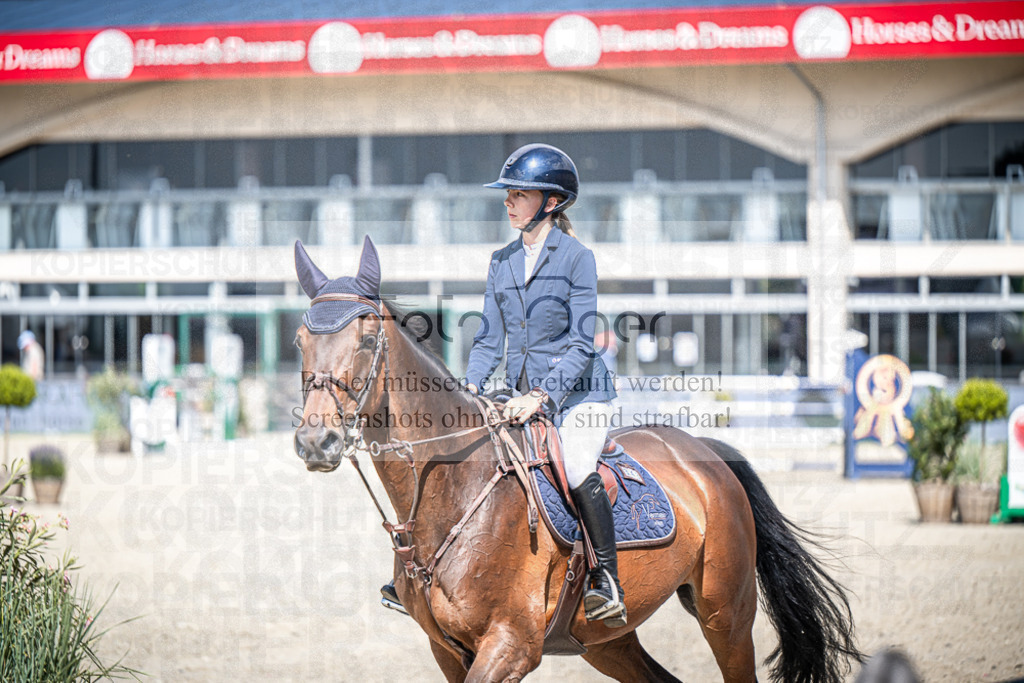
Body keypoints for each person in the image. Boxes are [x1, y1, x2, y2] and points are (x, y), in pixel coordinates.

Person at [382, 144, 624, 627]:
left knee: (575, 466)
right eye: (507, 194)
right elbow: (490, 339)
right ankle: (416, 572)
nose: (508, 202)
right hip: (519, 395)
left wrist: (540, 396)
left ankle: (606, 579)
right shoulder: (502, 260)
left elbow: (581, 343)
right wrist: (467, 394)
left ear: (550, 202)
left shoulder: (578, 259)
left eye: (518, 194)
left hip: (579, 393)